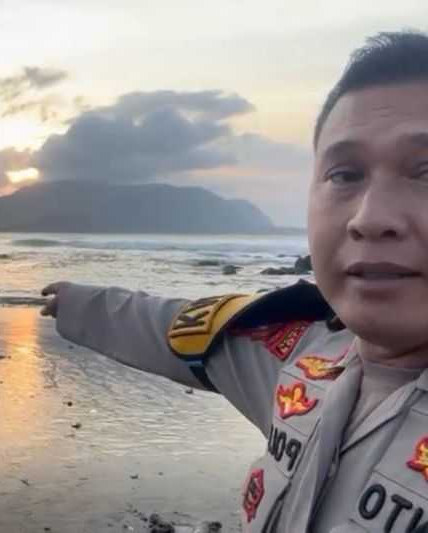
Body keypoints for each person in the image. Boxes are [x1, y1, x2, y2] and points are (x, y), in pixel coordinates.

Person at [39, 31, 428, 533]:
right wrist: (76, 304)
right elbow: (172, 328)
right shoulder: (300, 357)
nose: (370, 218)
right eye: (344, 175)